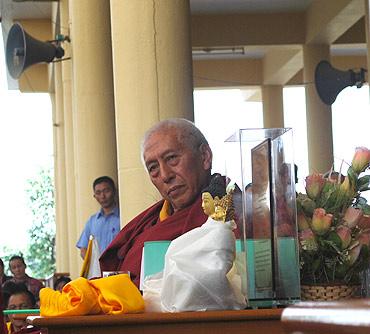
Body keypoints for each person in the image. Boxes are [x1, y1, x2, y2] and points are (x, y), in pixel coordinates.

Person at [100, 118, 214, 287]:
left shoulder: (230, 213)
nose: (165, 175)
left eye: (172, 158)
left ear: (204, 156)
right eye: (153, 167)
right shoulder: (149, 223)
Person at [76, 176, 120, 259]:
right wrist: (93, 265)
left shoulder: (122, 217)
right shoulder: (92, 221)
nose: (102, 196)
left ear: (114, 191)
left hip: (119, 269)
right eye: (98, 193)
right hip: (97, 271)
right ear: (94, 196)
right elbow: (83, 249)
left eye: (106, 191)